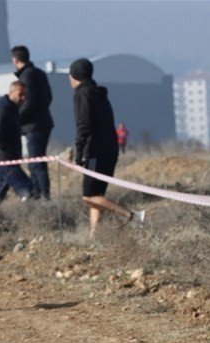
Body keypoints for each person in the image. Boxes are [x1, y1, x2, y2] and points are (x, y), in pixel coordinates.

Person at [68, 58, 140, 240]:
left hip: (94, 153)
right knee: (98, 196)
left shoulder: (82, 94)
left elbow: (83, 125)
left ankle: (131, 216)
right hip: (110, 150)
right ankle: (94, 237)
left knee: (88, 196)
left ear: (75, 76)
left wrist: (79, 153)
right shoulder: (99, 93)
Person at [10, 45, 54, 201]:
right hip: (43, 122)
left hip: (34, 126)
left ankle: (42, 196)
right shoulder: (40, 73)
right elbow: (48, 97)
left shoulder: (26, 76)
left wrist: (16, 118)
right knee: (37, 161)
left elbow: (29, 102)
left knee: (36, 163)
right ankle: (39, 193)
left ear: (15, 60)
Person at [0, 80, 33, 205]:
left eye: (25, 95)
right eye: (20, 94)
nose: (23, 98)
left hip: (10, 157)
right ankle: (31, 216)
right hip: (5, 158)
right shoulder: (3, 111)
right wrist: (8, 151)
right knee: (27, 189)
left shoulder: (13, 110)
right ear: (11, 93)